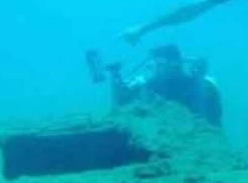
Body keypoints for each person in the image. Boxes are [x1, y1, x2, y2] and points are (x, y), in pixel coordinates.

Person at [86, 45, 222, 126]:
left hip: (197, 136)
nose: (168, 68)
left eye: (169, 63)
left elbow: (212, 114)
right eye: (160, 64)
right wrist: (115, 77)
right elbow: (121, 106)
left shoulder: (201, 85)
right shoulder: (146, 86)